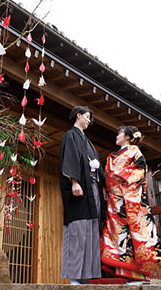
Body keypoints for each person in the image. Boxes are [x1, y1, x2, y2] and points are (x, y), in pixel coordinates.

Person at [100, 125, 161, 284]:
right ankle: (124, 275)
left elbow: (139, 170)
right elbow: (107, 176)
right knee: (118, 236)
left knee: (134, 235)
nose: (117, 136)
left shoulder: (135, 152)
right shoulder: (111, 156)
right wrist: (105, 187)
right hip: (114, 201)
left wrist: (120, 180)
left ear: (128, 137)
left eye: (120, 133)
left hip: (129, 199)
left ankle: (140, 275)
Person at [59, 106, 106, 285]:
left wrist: (101, 185)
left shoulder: (89, 142)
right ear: (78, 116)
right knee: (77, 230)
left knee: (91, 231)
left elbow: (97, 167)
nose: (88, 121)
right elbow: (70, 159)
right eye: (87, 117)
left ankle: (87, 275)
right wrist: (74, 181)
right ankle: (75, 276)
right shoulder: (70, 136)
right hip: (79, 189)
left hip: (93, 189)